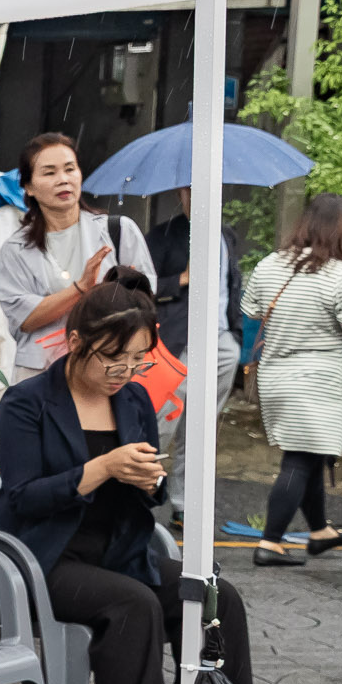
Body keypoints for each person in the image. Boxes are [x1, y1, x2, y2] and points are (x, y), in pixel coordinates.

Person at [0, 279, 254, 684]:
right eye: (113, 359)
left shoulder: (132, 399)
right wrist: (100, 468)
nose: (124, 373)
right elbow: (22, 498)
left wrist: (148, 481)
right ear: (76, 339)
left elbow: (153, 494)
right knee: (134, 605)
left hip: (119, 549)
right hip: (42, 558)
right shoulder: (27, 402)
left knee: (218, 599)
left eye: (137, 361)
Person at [243, 194, 342, 568]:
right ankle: (269, 543)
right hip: (317, 380)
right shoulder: (341, 273)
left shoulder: (271, 263)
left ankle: (319, 532)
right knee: (300, 460)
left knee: (308, 452)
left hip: (276, 374)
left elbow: (252, 309)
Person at [0, 131, 154, 385]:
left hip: (112, 375)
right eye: (49, 172)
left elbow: (146, 302)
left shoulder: (119, 231)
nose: (63, 179)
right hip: (43, 378)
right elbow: (26, 319)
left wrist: (124, 293)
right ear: (29, 187)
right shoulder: (14, 250)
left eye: (70, 169)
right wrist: (81, 289)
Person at [147, 196, 242, 519]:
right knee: (161, 423)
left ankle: (185, 506)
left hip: (221, 343)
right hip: (177, 344)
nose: (198, 194)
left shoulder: (226, 234)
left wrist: (235, 336)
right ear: (181, 194)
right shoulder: (163, 235)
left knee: (202, 429)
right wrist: (183, 278)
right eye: (190, 189)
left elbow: (233, 286)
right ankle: (139, 497)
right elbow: (141, 284)